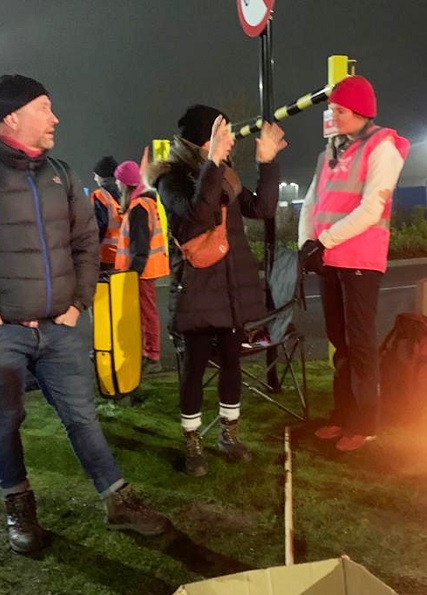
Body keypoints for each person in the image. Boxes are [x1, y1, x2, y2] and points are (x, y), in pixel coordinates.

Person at [0, 74, 169, 555]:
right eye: (45, 107)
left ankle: (117, 500)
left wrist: (79, 301)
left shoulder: (60, 176)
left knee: (83, 417)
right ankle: (18, 509)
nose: (55, 118)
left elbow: (87, 242)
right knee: (6, 420)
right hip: (1, 334)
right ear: (12, 117)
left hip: (60, 330)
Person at [147, 104, 286, 477]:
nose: (229, 141)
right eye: (221, 134)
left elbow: (264, 208)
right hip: (197, 290)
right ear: (202, 139)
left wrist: (267, 162)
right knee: (193, 368)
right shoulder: (170, 177)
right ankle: (192, 442)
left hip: (231, 291)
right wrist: (214, 164)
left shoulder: (224, 173)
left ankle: (229, 435)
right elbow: (198, 215)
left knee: (231, 363)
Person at [298, 75, 409, 452]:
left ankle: (366, 421)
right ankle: (342, 414)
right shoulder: (330, 151)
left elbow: (371, 208)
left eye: (340, 110)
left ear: (361, 112)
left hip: (360, 260)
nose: (334, 117)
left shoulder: (383, 147)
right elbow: (312, 201)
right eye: (332, 110)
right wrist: (305, 244)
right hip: (330, 259)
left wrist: (323, 242)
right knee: (339, 342)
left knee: (360, 343)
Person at [112, 160, 169, 374]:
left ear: (126, 184)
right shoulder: (145, 204)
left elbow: (140, 246)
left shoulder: (138, 208)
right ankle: (149, 353)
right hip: (146, 269)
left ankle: (153, 356)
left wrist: (132, 274)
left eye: (118, 181)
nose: (117, 185)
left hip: (142, 271)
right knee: (146, 313)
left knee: (146, 314)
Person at [90, 155, 121, 271]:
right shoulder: (127, 194)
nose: (94, 179)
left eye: (95, 175)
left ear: (102, 176)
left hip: (106, 255)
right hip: (125, 255)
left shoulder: (100, 196)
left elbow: (97, 226)